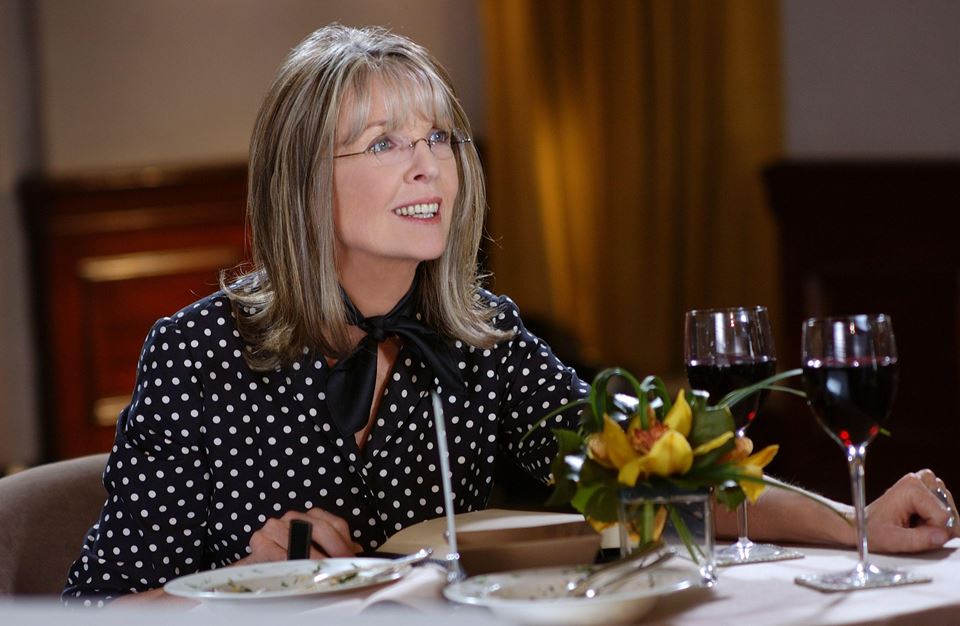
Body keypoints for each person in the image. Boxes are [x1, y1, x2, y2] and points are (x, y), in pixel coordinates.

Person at [62, 24, 957, 607]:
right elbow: (92, 608)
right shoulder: (198, 354)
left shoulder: (479, 335)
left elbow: (652, 476)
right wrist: (244, 585)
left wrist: (856, 523)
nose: (428, 165)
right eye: (384, 143)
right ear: (301, 184)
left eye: (437, 137)